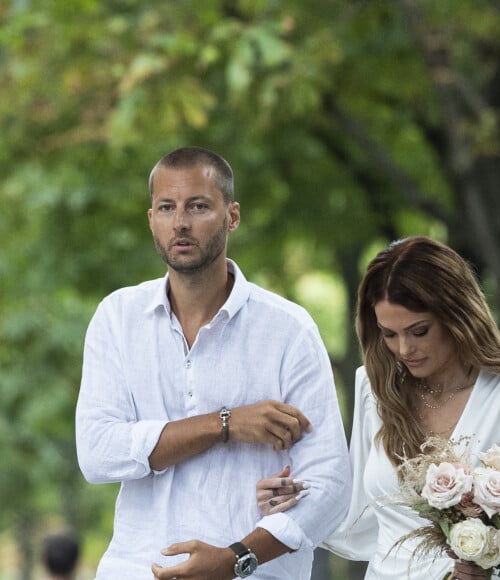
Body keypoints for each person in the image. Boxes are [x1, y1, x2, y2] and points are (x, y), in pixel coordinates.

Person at [75, 146, 351, 579]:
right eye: (167, 207)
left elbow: (330, 486)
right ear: (152, 220)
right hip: (137, 567)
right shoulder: (117, 318)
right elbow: (96, 453)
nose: (180, 222)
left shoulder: (289, 329)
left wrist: (235, 557)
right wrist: (224, 424)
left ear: (232, 217)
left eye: (198, 206)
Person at [257, 236, 500, 579]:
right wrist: (292, 503)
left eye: (418, 331)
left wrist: (489, 571)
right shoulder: (375, 390)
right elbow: (359, 522)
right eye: (389, 334)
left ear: (457, 315)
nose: (404, 349)